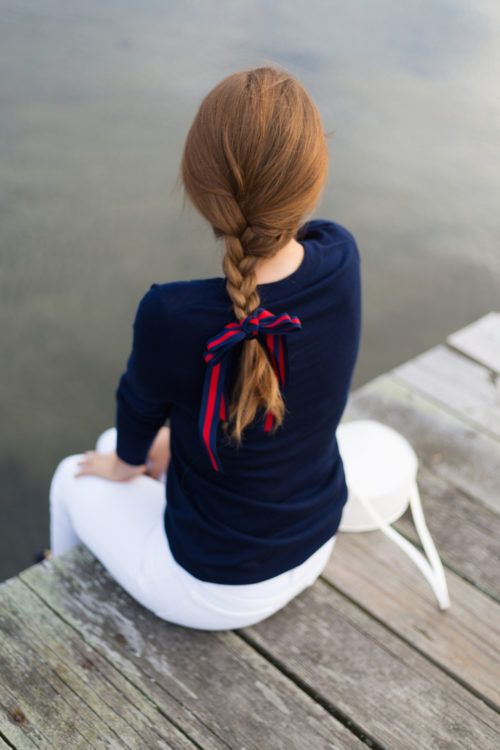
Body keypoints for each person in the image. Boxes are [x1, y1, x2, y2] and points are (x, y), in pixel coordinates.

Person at [47, 65, 362, 631]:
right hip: (316, 540)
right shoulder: (341, 257)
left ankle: (58, 587)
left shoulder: (174, 313)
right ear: (313, 181)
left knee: (75, 472)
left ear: (198, 187)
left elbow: (138, 411)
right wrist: (143, 452)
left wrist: (126, 464)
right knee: (130, 446)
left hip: (214, 589)